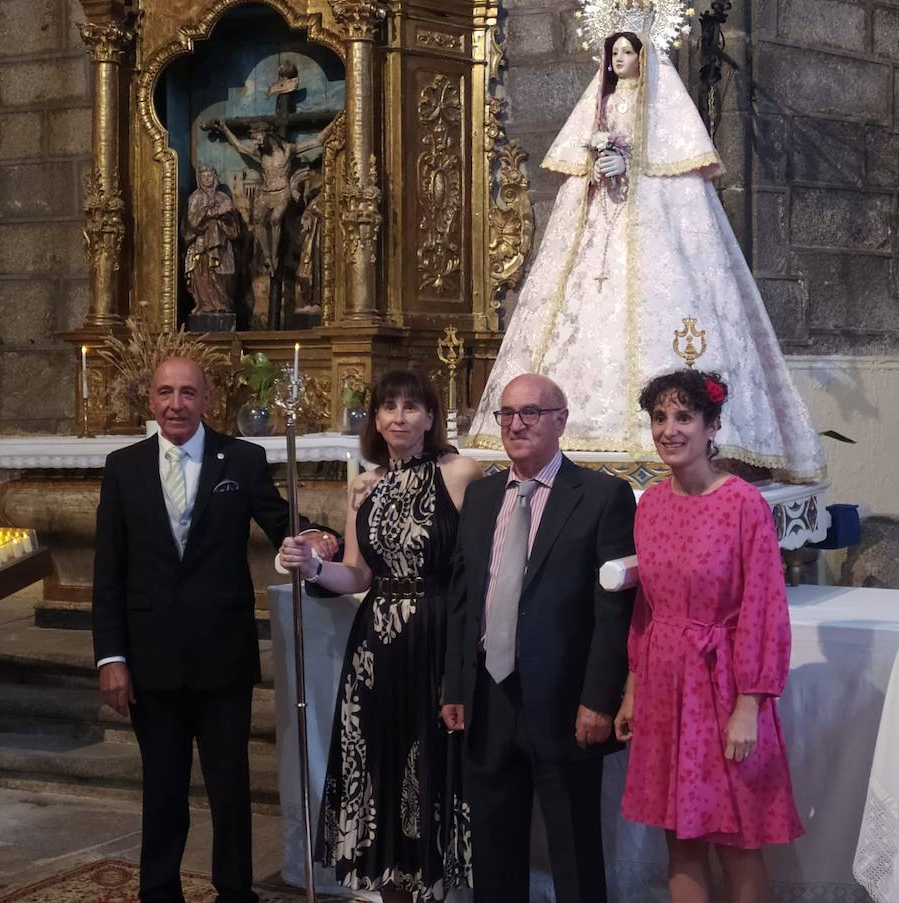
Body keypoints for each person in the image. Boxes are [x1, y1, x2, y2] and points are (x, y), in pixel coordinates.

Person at [464, 12, 826, 484]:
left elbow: (670, 169)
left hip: (654, 233)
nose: (618, 60)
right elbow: (582, 165)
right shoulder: (602, 105)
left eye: (627, 52)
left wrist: (630, 165)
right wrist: (595, 169)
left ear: (646, 56)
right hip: (602, 229)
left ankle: (670, 438)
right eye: (612, 53)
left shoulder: (664, 109)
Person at [92, 356, 339, 903]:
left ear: (207, 400)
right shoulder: (123, 466)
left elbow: (282, 523)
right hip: (150, 653)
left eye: (187, 393)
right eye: (164, 393)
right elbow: (108, 570)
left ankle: (235, 891)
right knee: (163, 788)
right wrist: (111, 658)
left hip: (221, 652)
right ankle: (159, 891)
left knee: (230, 787)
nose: (175, 404)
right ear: (150, 401)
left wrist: (319, 537)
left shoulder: (242, 458)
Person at [279, 370, 482, 903]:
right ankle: (391, 891)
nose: (398, 416)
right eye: (388, 406)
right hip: (376, 646)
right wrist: (312, 569)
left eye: (411, 406)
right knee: (380, 771)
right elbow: (357, 574)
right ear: (375, 419)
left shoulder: (461, 472)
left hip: (437, 637)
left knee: (429, 771)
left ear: (431, 417)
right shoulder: (364, 486)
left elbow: (480, 565)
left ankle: (434, 891)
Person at [441, 373, 637, 903]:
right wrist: (456, 687)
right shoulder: (481, 497)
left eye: (531, 412)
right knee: (493, 850)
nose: (517, 423)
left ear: (561, 421)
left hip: (565, 703)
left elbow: (614, 608)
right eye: (507, 413)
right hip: (488, 697)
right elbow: (464, 599)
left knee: (573, 848)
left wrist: (598, 699)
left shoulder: (601, 496)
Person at [614, 369, 803, 903]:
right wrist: (632, 689)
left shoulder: (742, 503)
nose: (669, 430)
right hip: (664, 686)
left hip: (724, 689)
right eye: (659, 418)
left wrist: (749, 704)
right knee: (680, 838)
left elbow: (765, 609)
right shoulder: (650, 503)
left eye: (683, 417)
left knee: (737, 838)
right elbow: (646, 604)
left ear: (712, 425)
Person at [183, 164, 241, 315]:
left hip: (221, 243)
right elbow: (193, 221)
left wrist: (227, 214)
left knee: (224, 273)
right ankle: (205, 305)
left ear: (214, 177)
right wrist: (215, 212)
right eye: (203, 176)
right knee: (203, 274)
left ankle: (223, 304)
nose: (207, 179)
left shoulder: (223, 197)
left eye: (209, 175)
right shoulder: (196, 198)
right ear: (199, 179)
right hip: (202, 243)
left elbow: (234, 228)